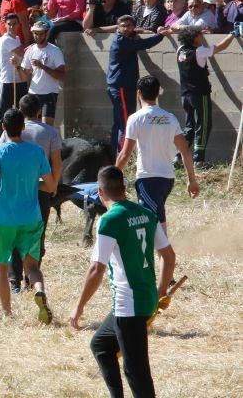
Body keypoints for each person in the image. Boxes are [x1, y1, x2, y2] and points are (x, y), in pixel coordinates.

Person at [69, 166, 176, 398]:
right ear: (125, 189)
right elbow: (169, 257)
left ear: (100, 192)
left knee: (136, 371)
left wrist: (79, 306)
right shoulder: (147, 214)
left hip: (128, 305)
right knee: (101, 346)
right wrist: (160, 291)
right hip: (145, 298)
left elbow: (97, 268)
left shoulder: (109, 220)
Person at [0, 108, 55, 322]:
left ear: (3, 128)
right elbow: (50, 184)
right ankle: (39, 289)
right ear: (23, 127)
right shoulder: (36, 152)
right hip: (32, 217)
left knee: (2, 266)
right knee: (32, 266)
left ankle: (7, 312)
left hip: (5, 218)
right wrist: (33, 182)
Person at [0, 94, 63, 293]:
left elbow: (2, 157)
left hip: (15, 191)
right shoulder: (50, 132)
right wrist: (54, 186)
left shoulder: (10, 130)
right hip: (41, 189)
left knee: (14, 234)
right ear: (39, 111)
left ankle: (14, 281)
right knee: (36, 236)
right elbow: (57, 164)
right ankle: (31, 279)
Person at [115, 76, 199, 231]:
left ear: (138, 93)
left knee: (156, 230)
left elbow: (125, 154)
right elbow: (185, 151)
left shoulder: (135, 119)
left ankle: (165, 255)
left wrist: (111, 177)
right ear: (157, 93)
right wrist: (191, 180)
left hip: (148, 180)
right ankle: (162, 254)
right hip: (167, 180)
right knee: (154, 225)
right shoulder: (170, 118)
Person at [166, 27, 237, 167]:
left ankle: (178, 156)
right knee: (203, 125)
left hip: (185, 95)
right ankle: (199, 160)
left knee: (190, 126)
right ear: (194, 38)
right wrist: (232, 35)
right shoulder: (199, 51)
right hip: (199, 94)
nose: (202, 38)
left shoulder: (180, 50)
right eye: (200, 35)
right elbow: (220, 47)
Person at [105, 16, 165, 153]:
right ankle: (122, 155)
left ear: (133, 27)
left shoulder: (126, 37)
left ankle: (115, 153)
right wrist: (160, 35)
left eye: (129, 26)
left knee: (120, 122)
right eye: (123, 26)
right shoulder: (121, 41)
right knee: (126, 123)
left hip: (123, 85)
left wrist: (142, 31)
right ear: (118, 27)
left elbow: (135, 36)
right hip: (121, 87)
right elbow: (144, 44)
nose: (126, 29)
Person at [17, 21, 66, 126]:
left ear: (46, 33)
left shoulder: (55, 50)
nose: (38, 36)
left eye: (40, 33)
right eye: (35, 33)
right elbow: (23, 76)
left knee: (47, 127)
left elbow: (62, 76)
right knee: (31, 126)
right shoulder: (30, 50)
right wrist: (17, 66)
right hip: (33, 93)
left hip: (49, 93)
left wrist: (43, 66)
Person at [0, 14, 28, 142]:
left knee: (22, 114)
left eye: (14, 24)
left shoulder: (17, 38)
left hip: (19, 80)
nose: (12, 27)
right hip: (7, 81)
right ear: (5, 25)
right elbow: (22, 52)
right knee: (2, 116)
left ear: (18, 25)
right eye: (9, 24)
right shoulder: (5, 39)